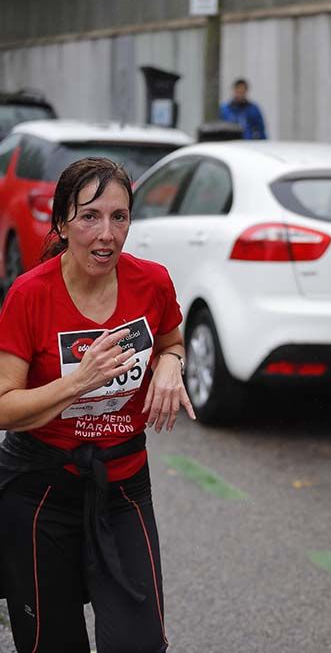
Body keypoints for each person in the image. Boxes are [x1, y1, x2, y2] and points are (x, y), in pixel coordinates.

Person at [0, 157, 195, 652]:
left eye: (119, 217)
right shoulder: (29, 295)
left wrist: (171, 364)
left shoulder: (151, 282)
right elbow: (3, 406)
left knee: (140, 642)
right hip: (41, 491)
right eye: (89, 217)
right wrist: (79, 382)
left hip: (123, 485)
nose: (106, 234)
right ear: (63, 222)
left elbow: (172, 341)